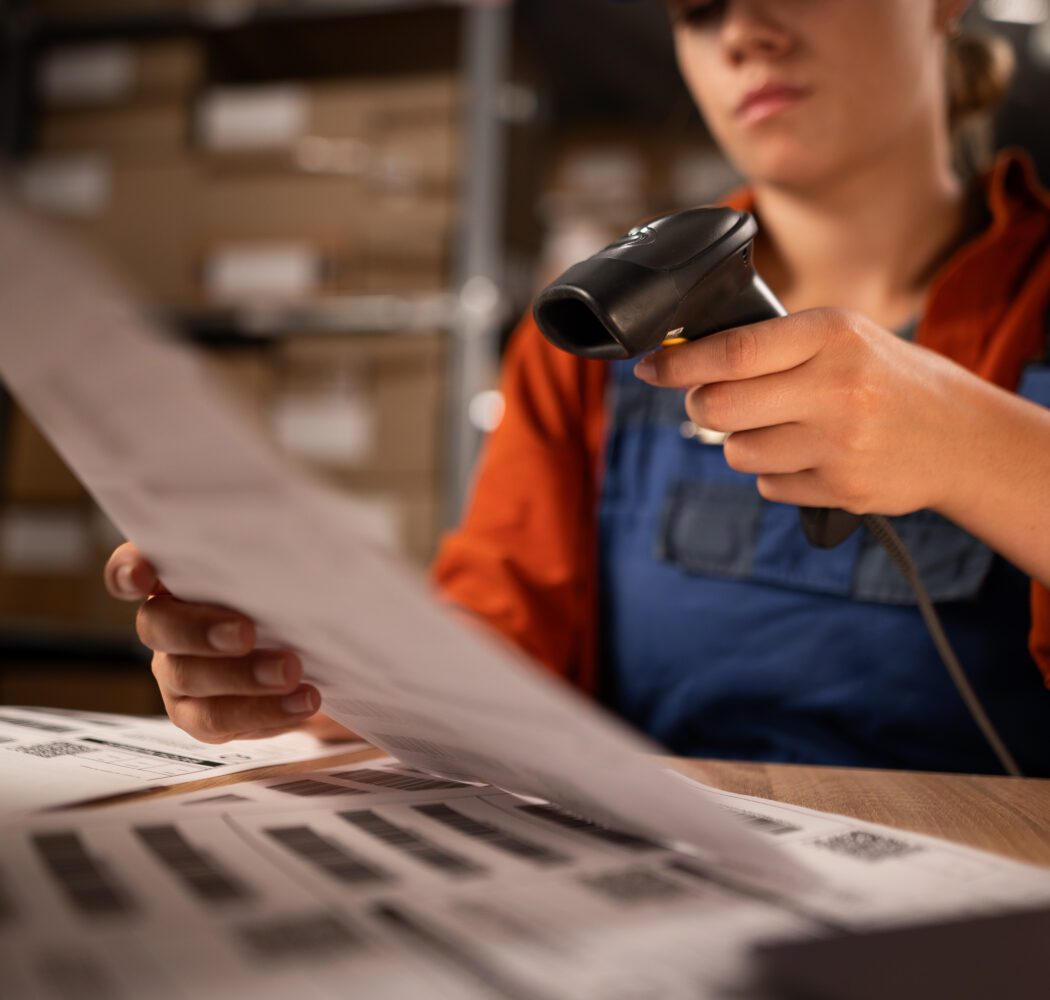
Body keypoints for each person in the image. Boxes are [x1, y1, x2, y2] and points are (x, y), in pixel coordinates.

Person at [106, 0, 1050, 773]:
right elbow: (501, 640)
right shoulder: (601, 327)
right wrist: (319, 666)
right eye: (698, 9)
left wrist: (975, 446)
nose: (742, 33)